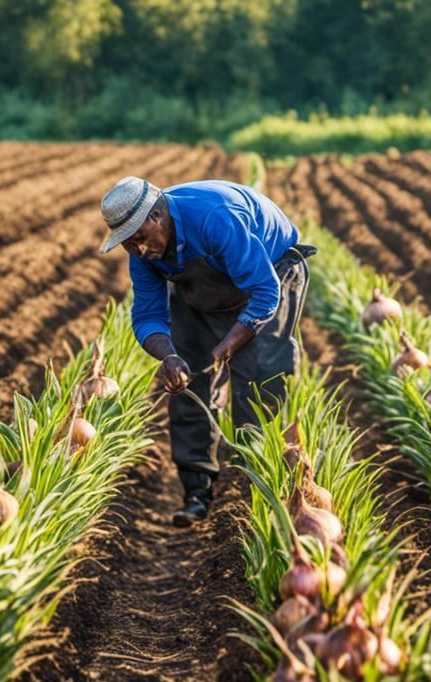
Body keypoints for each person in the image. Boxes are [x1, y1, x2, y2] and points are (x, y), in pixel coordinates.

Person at [99, 176, 313, 526]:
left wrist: (230, 344)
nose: (138, 250)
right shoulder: (145, 254)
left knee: (259, 381)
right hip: (202, 294)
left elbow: (263, 291)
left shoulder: (214, 216)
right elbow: (148, 315)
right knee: (186, 384)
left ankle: (258, 486)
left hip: (271, 273)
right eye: (128, 244)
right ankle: (197, 491)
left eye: (139, 238)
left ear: (157, 216)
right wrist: (168, 355)